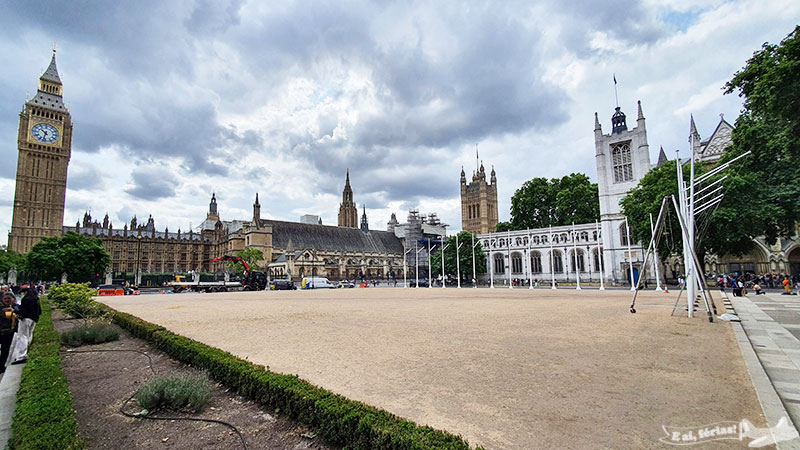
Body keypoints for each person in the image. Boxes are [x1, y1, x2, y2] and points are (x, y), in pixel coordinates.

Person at [6, 287, 41, 366]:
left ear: (24, 292)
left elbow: (23, 312)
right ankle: (25, 352)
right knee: (29, 335)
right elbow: (39, 311)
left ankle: (21, 355)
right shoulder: (36, 299)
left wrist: (14, 310)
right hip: (33, 319)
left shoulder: (26, 299)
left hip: (25, 319)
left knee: (22, 336)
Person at [0, 292, 19, 373]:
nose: (7, 300)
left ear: (13, 299)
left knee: (5, 349)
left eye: (9, 298)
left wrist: (14, 311)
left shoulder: (16, 307)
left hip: (9, 332)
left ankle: (1, 366)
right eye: (5, 299)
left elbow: (21, 315)